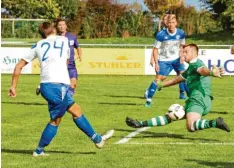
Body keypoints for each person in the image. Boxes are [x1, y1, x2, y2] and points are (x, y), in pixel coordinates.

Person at [9, 22, 114, 157]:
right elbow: (66, 62)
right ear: (53, 29)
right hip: (58, 86)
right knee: (55, 120)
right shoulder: (64, 40)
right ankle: (38, 150)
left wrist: (13, 86)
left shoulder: (38, 45)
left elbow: (18, 66)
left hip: (47, 86)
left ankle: (97, 139)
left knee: (76, 110)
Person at [127, 44, 230, 133]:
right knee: (172, 115)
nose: (183, 54)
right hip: (196, 99)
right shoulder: (190, 68)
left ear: (194, 53)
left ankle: (215, 122)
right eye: (182, 52)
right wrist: (162, 85)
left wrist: (211, 72)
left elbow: (202, 70)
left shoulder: (196, 64)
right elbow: (177, 79)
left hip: (199, 98)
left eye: (186, 52)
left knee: (191, 126)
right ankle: (140, 123)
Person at [145, 14, 188, 107]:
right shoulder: (161, 35)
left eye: (173, 22)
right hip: (164, 60)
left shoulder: (181, 33)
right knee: (158, 79)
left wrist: (182, 56)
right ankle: (148, 100)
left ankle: (190, 98)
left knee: (184, 77)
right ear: (166, 24)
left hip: (176, 59)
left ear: (176, 23)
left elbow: (182, 46)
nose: (171, 24)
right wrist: (156, 63)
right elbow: (155, 49)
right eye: (169, 22)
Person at [36, 18, 82, 96]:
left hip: (71, 65)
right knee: (57, 83)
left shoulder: (72, 36)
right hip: (59, 65)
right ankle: (43, 87)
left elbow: (77, 46)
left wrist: (79, 54)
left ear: (66, 26)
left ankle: (64, 99)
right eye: (60, 25)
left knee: (73, 84)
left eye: (63, 24)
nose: (62, 26)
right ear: (57, 27)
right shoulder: (55, 37)